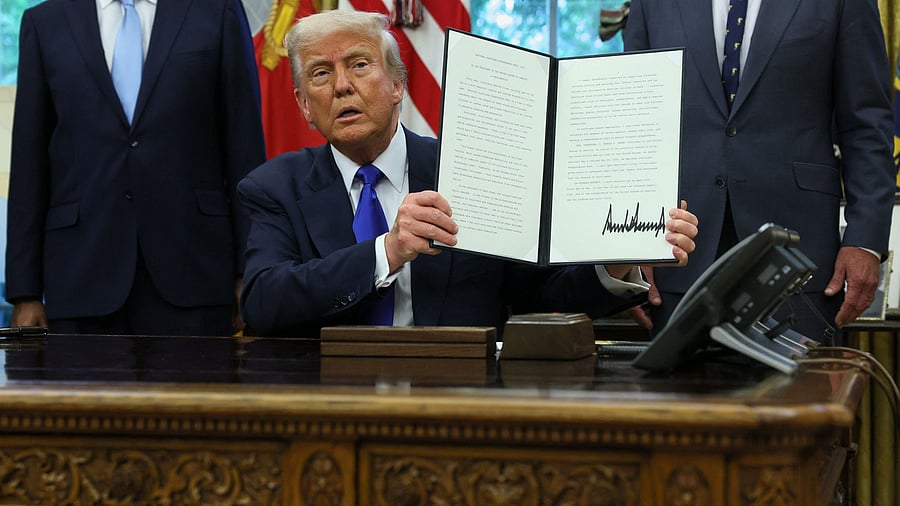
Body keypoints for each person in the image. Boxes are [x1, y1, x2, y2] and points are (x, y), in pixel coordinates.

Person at [237, 9, 699, 336]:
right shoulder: (274, 187)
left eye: (359, 65)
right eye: (320, 74)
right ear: (303, 107)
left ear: (398, 84)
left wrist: (622, 252)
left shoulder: (471, 170)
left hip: (462, 402)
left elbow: (543, 297)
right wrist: (388, 250)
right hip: (325, 408)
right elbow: (262, 304)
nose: (342, 86)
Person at [623, 0, 896, 343]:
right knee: (680, 396)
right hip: (676, 258)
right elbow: (634, 120)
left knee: (801, 395)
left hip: (800, 258)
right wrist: (629, 249)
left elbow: (866, 126)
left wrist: (865, 241)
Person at [5, 0, 266, 336]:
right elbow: (29, 162)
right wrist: (24, 291)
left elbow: (244, 149)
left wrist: (251, 270)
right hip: (80, 275)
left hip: (195, 272)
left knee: (197, 389)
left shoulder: (216, 11)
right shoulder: (44, 21)